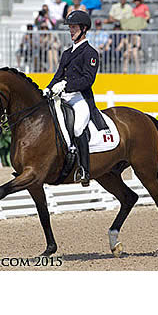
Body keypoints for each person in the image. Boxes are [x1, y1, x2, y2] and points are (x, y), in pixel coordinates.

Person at [43, 10, 106, 187]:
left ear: (84, 29)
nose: (71, 31)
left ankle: (84, 170)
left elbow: (88, 79)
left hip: (80, 98)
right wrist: (47, 89)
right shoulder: (66, 53)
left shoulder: (91, 53)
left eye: (74, 27)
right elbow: (57, 75)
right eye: (70, 27)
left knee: (78, 128)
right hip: (62, 97)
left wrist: (66, 85)